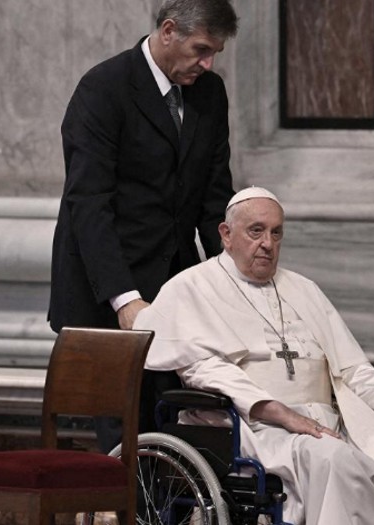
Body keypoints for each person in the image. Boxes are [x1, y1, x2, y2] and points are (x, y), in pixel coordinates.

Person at [134, 187, 374, 525]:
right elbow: (205, 371)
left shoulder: (304, 289)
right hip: (254, 428)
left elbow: (352, 368)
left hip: (328, 424)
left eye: (276, 233)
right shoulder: (192, 288)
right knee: (335, 461)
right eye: (256, 231)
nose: (268, 244)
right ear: (226, 235)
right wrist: (284, 415)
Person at [48, 0, 238, 452]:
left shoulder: (209, 93)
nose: (207, 63)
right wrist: (125, 299)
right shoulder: (104, 88)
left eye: (215, 53)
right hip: (108, 293)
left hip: (177, 287)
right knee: (126, 439)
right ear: (168, 31)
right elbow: (88, 204)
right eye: (201, 49)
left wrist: (236, 280)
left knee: (180, 427)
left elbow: (215, 200)